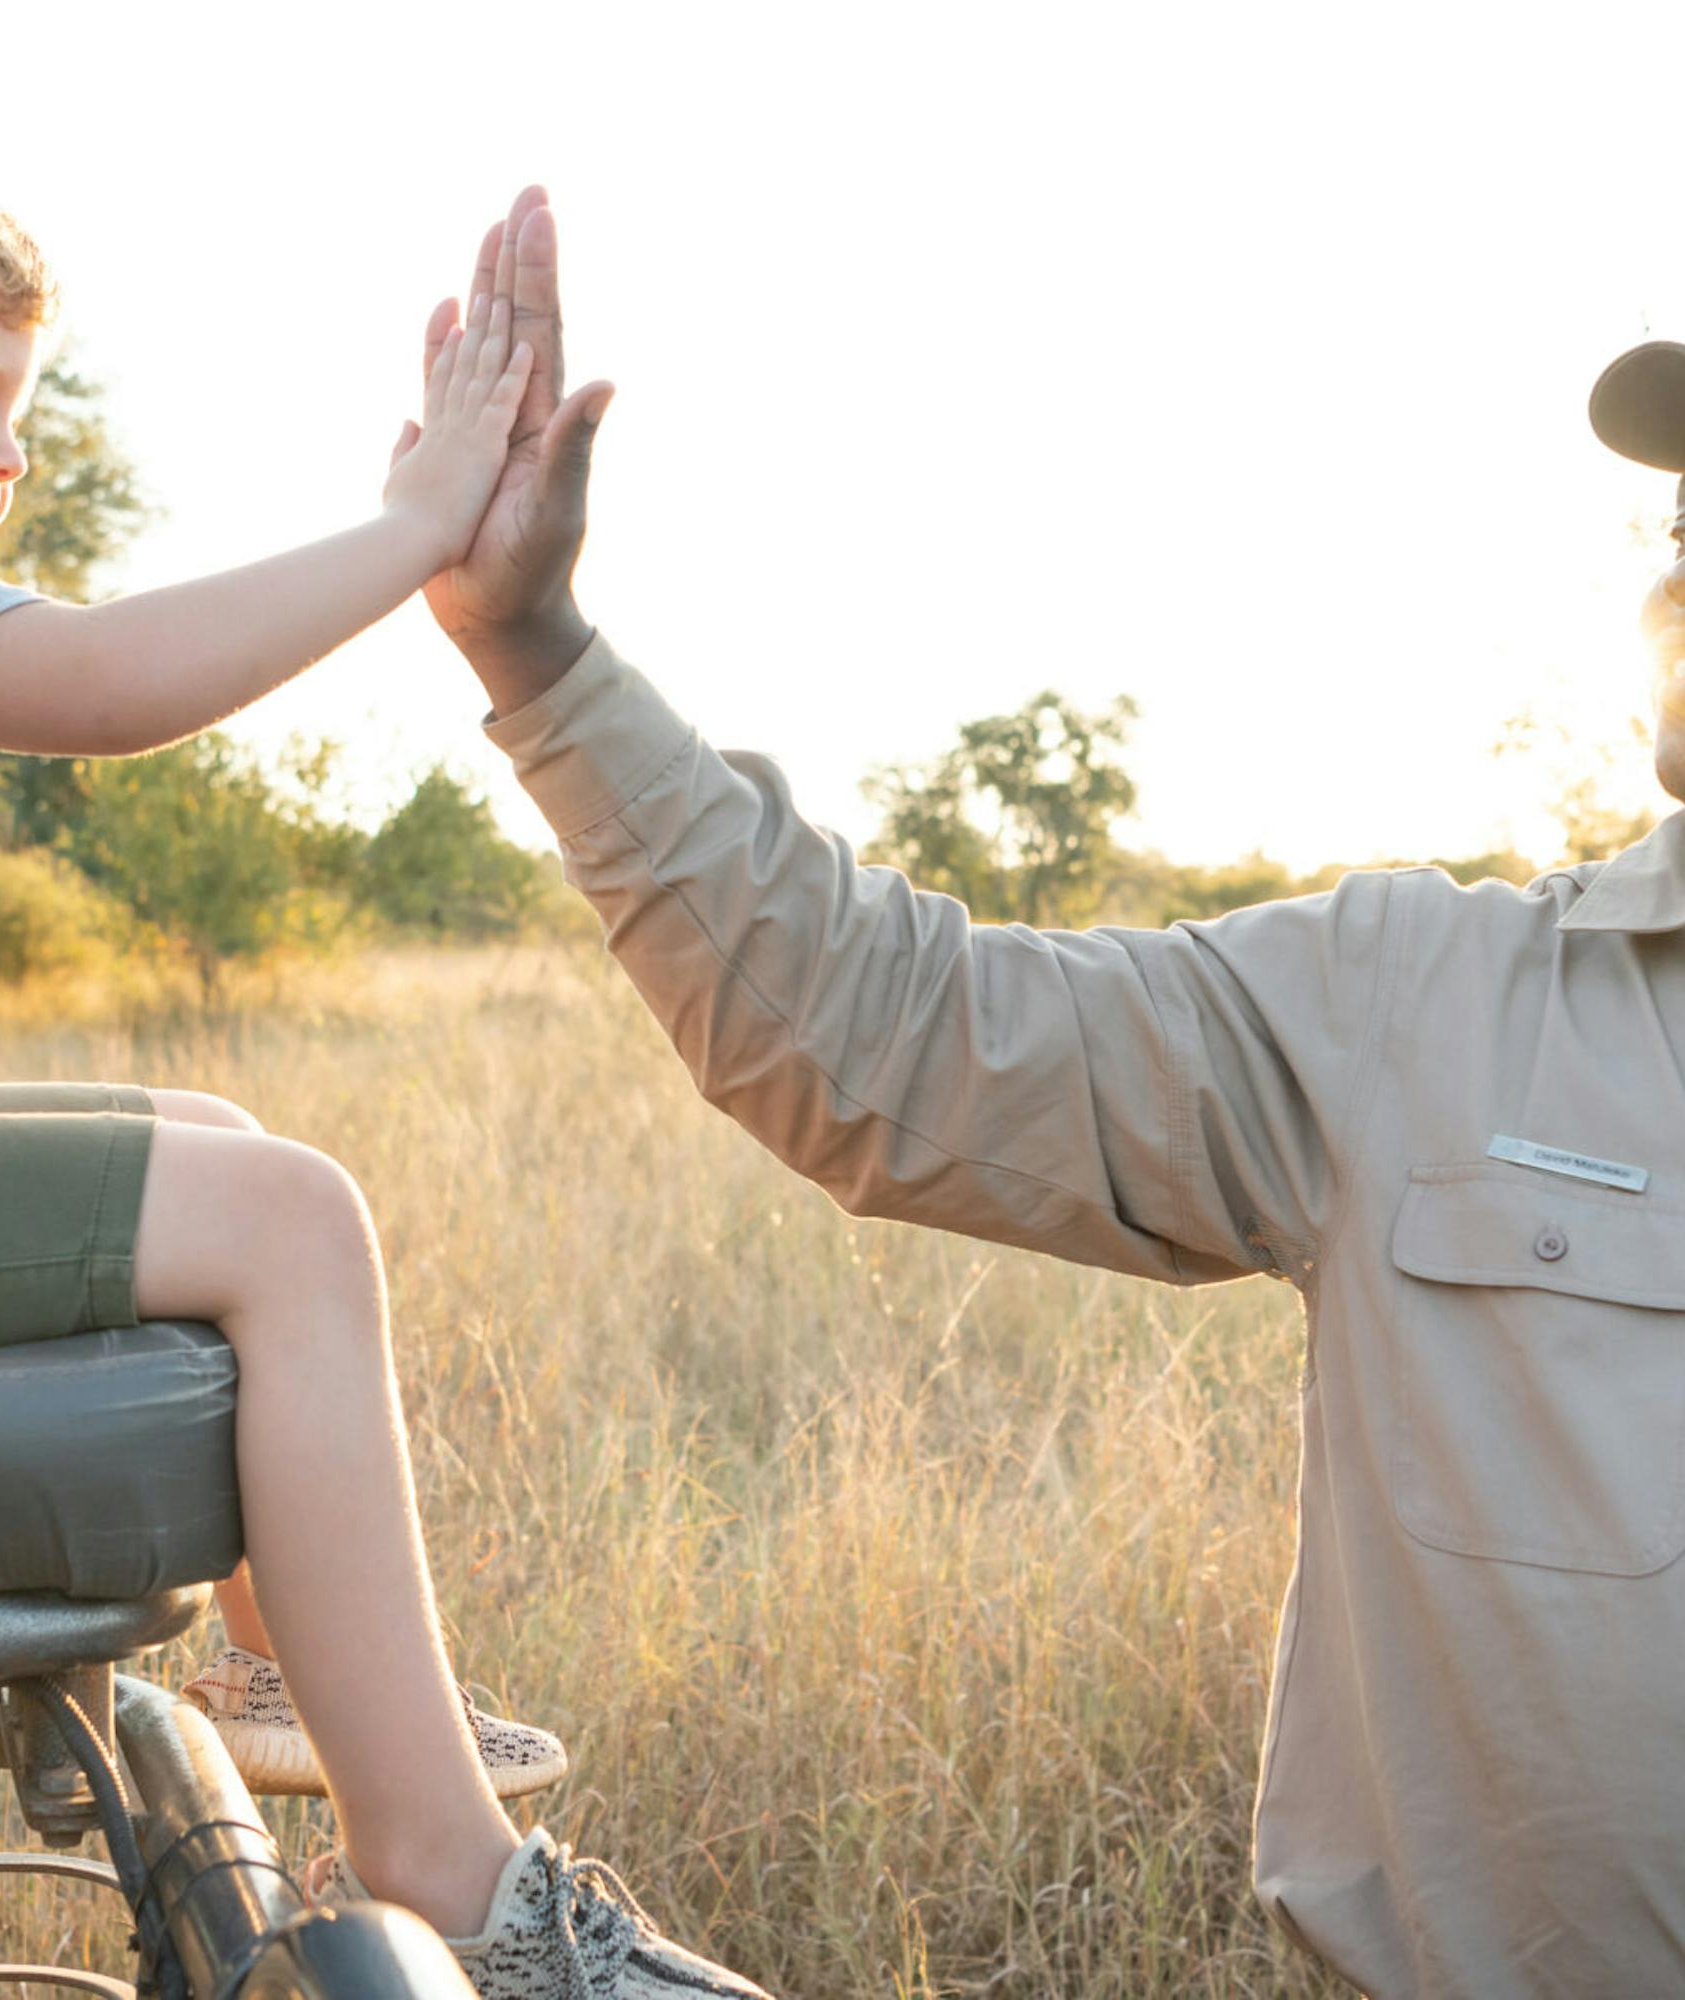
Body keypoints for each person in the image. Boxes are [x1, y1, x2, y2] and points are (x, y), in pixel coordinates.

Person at [433, 199, 1685, 1995]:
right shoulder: (1429, 1003)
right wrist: (540, 655)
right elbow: (886, 1037)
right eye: (1678, 514)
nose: (1676, 555)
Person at [0, 120, 768, 1999]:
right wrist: (423, 529)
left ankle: (276, 1670)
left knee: (207, 1129)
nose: (8, 457)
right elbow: (115, 687)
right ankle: (455, 1876)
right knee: (286, 1216)